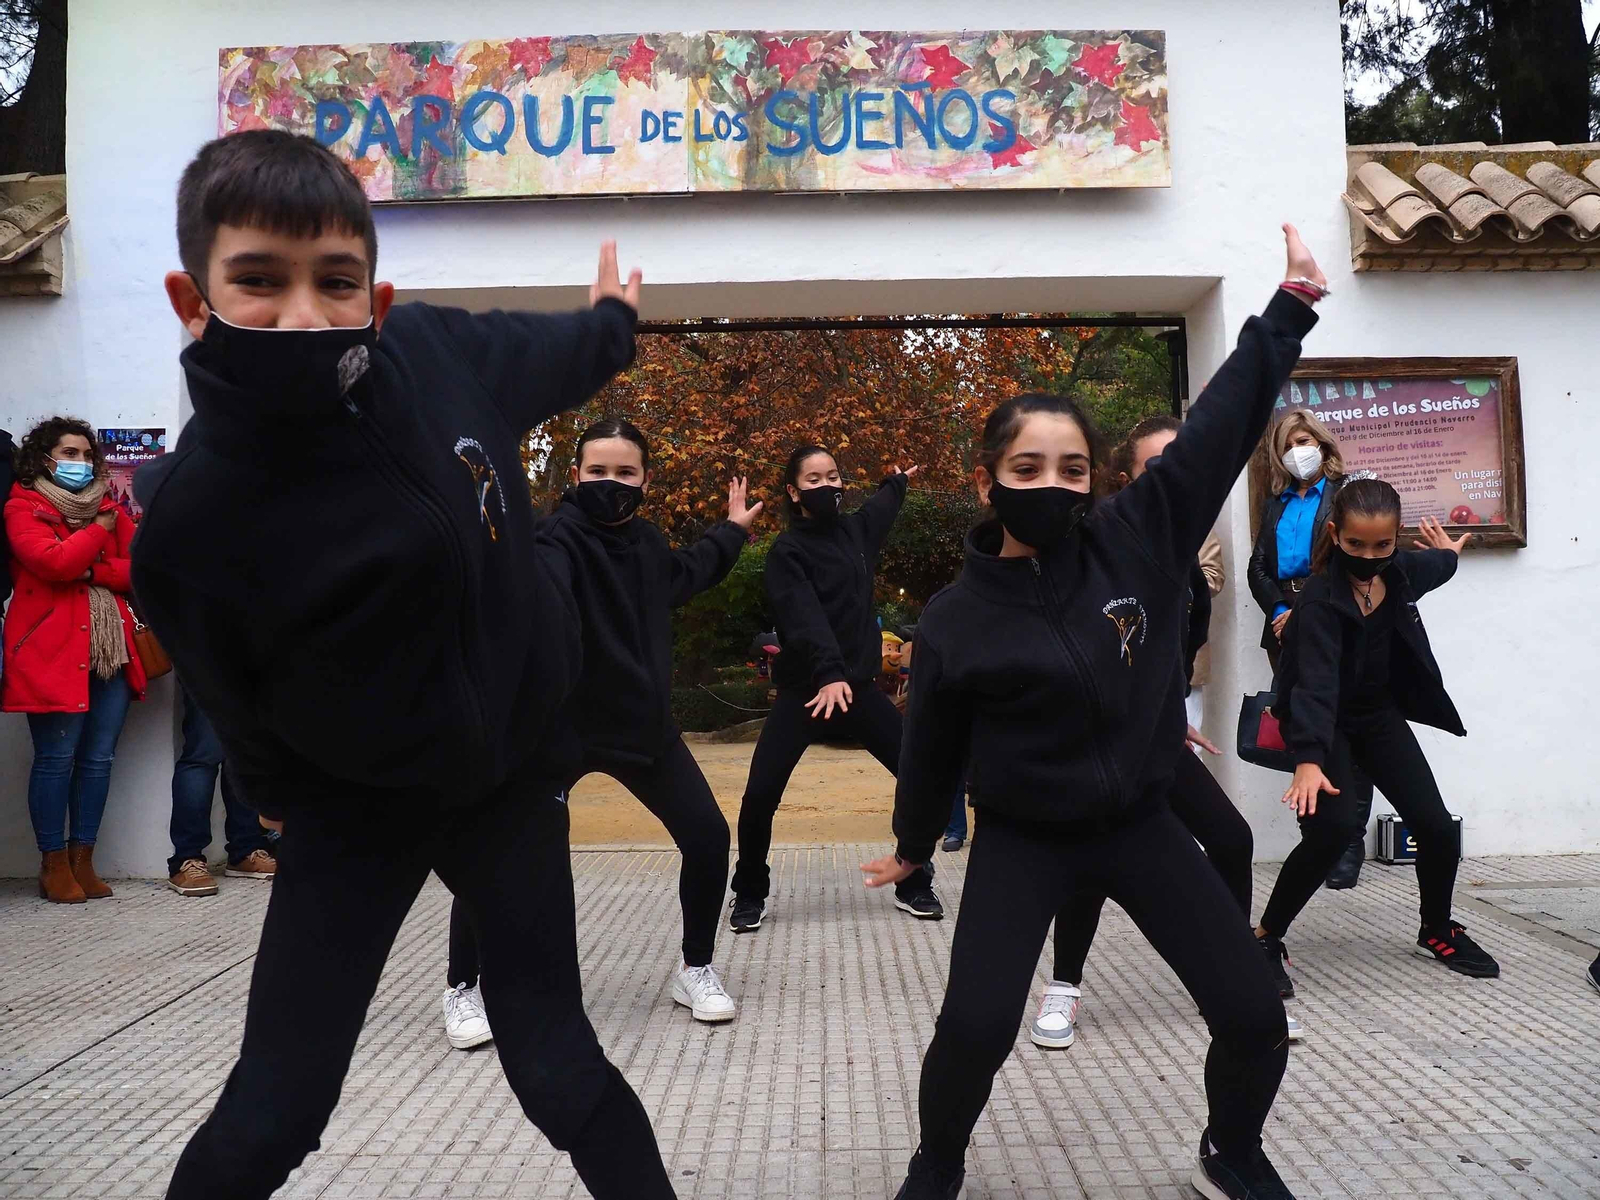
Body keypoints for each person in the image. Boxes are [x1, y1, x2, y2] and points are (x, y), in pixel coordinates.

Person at [131, 130, 676, 1199]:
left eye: (334, 283)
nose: (301, 314)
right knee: (275, 1108)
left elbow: (549, 353)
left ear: (374, 301)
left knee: (562, 1068)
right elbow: (229, 695)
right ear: (191, 298)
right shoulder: (189, 524)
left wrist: (612, 323)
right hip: (353, 810)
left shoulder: (431, 355)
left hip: (506, 784)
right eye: (258, 280)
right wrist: (285, 798)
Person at [863, 224, 1324, 1200]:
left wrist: (1288, 311)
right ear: (988, 479)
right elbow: (930, 745)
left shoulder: (1136, 535)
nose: (1051, 485)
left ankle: (1229, 1152)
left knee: (1251, 1017)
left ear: (1091, 478)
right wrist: (912, 841)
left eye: (1069, 468)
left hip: (1140, 824)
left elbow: (1219, 426)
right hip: (1023, 841)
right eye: (1027, 469)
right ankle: (935, 1161)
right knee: (975, 1030)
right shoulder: (954, 619)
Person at [442, 417, 761, 1047]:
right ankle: (464, 986)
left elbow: (684, 574)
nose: (610, 483)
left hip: (640, 727)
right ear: (575, 475)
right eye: (597, 471)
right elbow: (534, 579)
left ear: (645, 480)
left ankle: (695, 968)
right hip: (553, 731)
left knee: (707, 836)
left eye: (624, 472)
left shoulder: (645, 543)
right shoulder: (552, 537)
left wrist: (729, 533)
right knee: (498, 852)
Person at [1028, 415, 1305, 1052]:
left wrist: (1170, 717)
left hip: (1152, 736)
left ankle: (1240, 980)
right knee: (1093, 863)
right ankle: (1063, 988)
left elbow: (1173, 652)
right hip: (1087, 745)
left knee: (1231, 840)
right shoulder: (1092, 547)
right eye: (1158, 467)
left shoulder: (1184, 553)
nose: (1175, 476)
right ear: (1128, 481)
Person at [1253, 482, 1498, 993]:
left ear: (1394, 539)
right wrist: (1309, 760)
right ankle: (1265, 937)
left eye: (1382, 545)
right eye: (1357, 545)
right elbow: (1316, 687)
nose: (1369, 556)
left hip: (1378, 718)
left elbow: (1434, 568)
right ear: (1336, 535)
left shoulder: (1400, 570)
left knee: (1435, 826)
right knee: (1333, 830)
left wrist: (1449, 555)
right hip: (1325, 724)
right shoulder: (1320, 600)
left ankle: (1437, 928)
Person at [730, 446, 939, 930]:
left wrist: (898, 483)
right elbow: (804, 617)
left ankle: (912, 876)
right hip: (807, 691)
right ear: (793, 491)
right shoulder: (788, 551)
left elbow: (881, 507)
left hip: (860, 690)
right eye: (814, 479)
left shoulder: (857, 532)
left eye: (833, 477)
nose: (827, 487)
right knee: (759, 795)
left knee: (917, 774)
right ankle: (748, 892)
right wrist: (827, 673)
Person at [4, 417, 147, 903]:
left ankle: (84, 858)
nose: (80, 463)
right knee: (56, 759)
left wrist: (92, 567)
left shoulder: (110, 508)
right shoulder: (23, 507)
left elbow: (144, 567)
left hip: (109, 652)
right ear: (44, 458)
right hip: (50, 652)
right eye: (69, 453)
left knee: (98, 759)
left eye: (86, 454)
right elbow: (52, 563)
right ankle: (53, 864)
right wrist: (96, 536)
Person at [1247, 409, 1368, 890]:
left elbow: (1351, 556)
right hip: (1283, 624)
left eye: (1305, 440)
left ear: (1321, 443)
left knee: (1347, 727)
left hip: (1333, 614)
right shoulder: (1275, 503)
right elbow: (1259, 565)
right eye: (1288, 443)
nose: (1299, 450)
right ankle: (1316, 834)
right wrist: (1279, 609)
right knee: (1300, 726)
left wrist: (1308, 608)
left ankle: (1349, 842)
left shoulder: (1346, 495)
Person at [166, 682, 277, 896]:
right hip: (204, 655)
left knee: (246, 752)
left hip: (256, 658)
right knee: (203, 753)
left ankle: (246, 849)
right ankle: (187, 859)